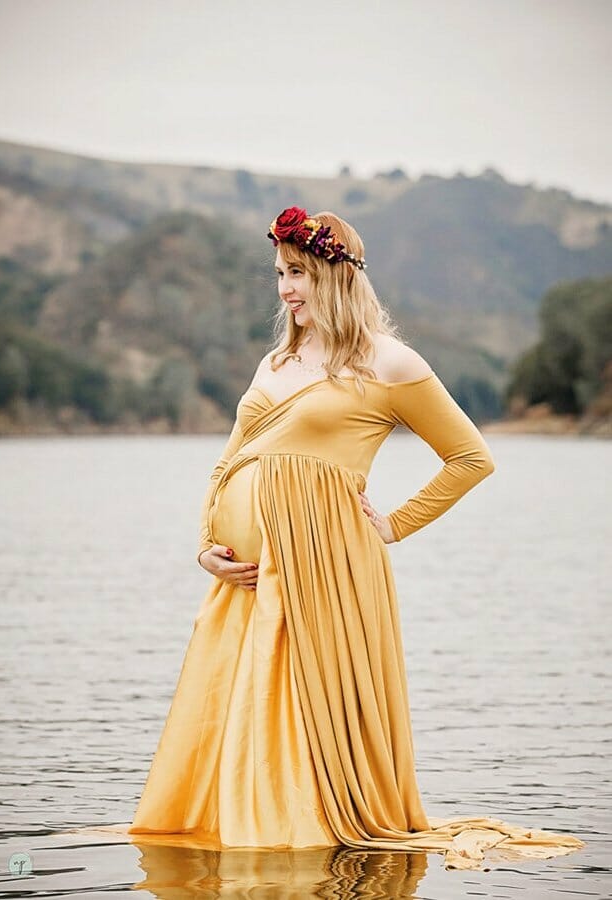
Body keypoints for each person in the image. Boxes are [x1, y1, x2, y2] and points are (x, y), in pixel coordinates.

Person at [127, 207, 585, 870]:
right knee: (248, 692)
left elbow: (470, 458)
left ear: (337, 277)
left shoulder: (389, 363)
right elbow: (229, 461)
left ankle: (301, 829)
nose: (286, 287)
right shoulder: (275, 360)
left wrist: (394, 523)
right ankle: (246, 820)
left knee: (309, 698)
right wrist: (205, 545)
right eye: (280, 273)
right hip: (250, 570)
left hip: (327, 562)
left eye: (300, 273)